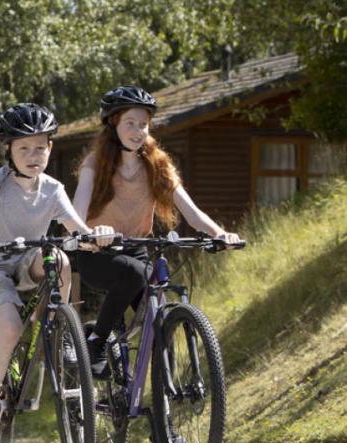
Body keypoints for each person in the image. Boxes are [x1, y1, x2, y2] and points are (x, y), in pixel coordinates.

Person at [0, 103, 115, 443]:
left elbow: (80, 232)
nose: (33, 155)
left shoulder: (53, 189)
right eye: (23, 148)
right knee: (8, 328)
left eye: (40, 147)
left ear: (50, 149)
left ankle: (57, 330)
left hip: (29, 259)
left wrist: (97, 235)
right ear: (8, 150)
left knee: (60, 258)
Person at [72, 86, 241, 385]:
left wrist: (219, 234)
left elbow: (191, 211)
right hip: (97, 254)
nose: (138, 131)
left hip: (136, 251)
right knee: (133, 273)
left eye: (143, 124)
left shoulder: (157, 164)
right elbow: (74, 217)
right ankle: (97, 340)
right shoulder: (94, 164)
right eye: (130, 123)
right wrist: (89, 233)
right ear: (113, 124)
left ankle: (163, 411)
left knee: (159, 324)